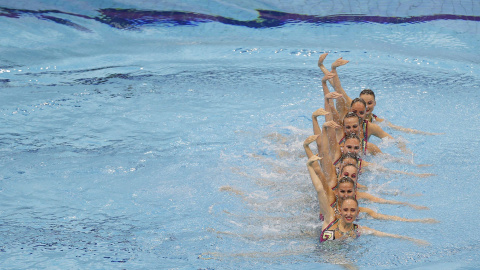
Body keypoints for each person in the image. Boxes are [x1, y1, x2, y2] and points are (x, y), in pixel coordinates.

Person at [307, 156, 430, 245]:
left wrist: (410, 239)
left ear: (358, 212)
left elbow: (383, 234)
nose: (348, 214)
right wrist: (309, 166)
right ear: (340, 209)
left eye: (352, 211)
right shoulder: (330, 217)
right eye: (345, 210)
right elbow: (319, 189)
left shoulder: (358, 230)